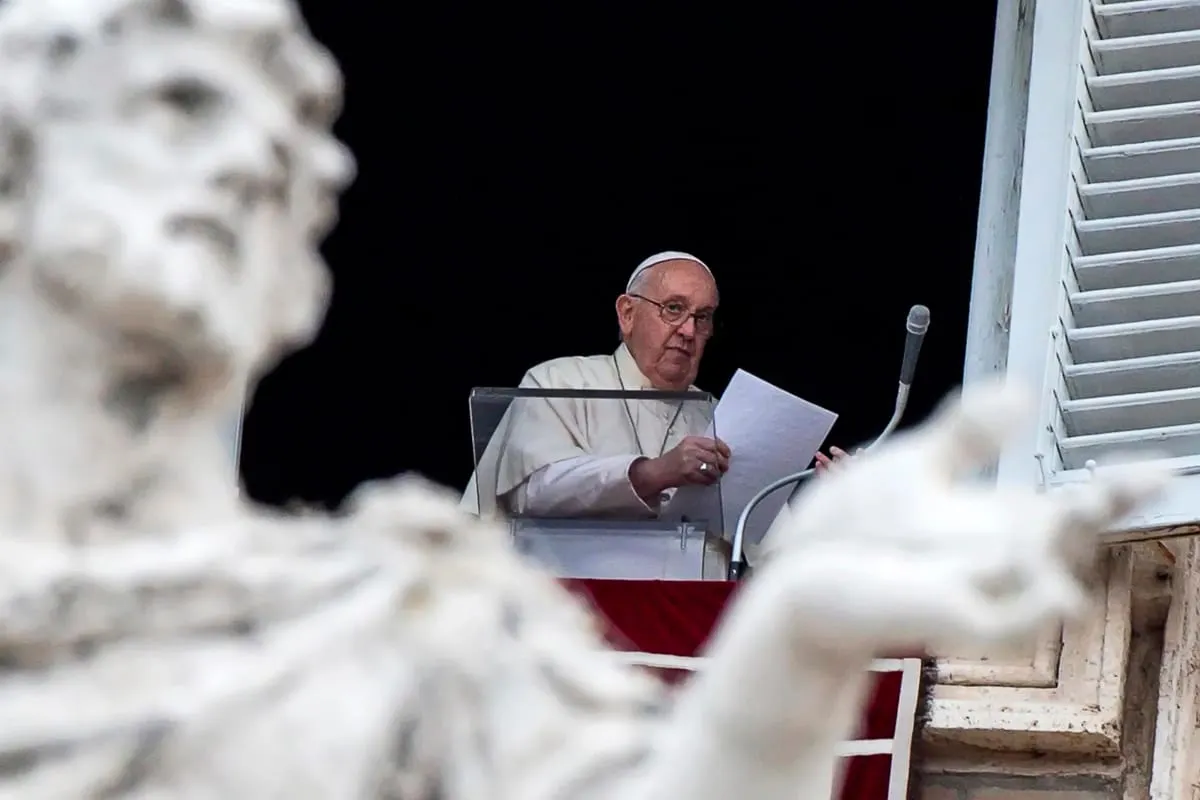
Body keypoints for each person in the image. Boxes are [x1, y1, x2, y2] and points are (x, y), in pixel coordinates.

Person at [462, 251, 729, 520]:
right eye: (673, 309)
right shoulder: (559, 382)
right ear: (627, 314)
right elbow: (534, 490)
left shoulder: (716, 416)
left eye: (703, 317)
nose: (689, 331)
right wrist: (653, 473)